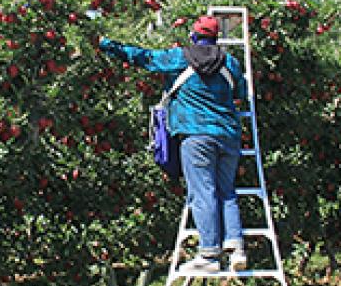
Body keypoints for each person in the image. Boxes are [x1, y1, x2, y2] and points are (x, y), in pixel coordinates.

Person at [97, 15, 247, 272]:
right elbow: (241, 93)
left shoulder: (180, 57)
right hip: (228, 135)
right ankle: (235, 247)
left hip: (195, 134)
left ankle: (209, 254)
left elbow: (144, 58)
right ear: (215, 38)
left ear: (193, 35)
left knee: (203, 192)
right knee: (226, 191)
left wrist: (107, 45)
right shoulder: (230, 62)